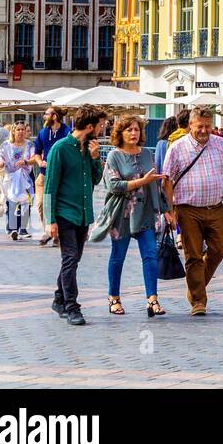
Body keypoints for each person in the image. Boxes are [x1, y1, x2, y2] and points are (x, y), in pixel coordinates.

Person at [161, 107, 223, 317]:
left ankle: (195, 286)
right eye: (200, 126)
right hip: (188, 209)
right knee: (194, 256)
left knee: (219, 249)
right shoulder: (177, 148)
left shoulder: (221, 144)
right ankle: (198, 300)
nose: (205, 131)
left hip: (216, 207)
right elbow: (167, 181)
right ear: (190, 125)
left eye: (208, 126)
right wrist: (169, 210)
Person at [98, 116, 169, 318]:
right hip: (122, 215)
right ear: (120, 133)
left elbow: (154, 183)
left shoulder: (147, 154)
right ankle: (114, 297)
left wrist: (166, 209)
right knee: (118, 257)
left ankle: (152, 299)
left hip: (146, 212)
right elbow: (113, 185)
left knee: (150, 256)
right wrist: (141, 182)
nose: (133, 133)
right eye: (128, 129)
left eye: (136, 129)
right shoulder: (114, 156)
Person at [43, 107, 108, 326]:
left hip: (83, 214)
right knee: (70, 258)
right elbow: (50, 186)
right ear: (89, 127)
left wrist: (96, 158)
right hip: (64, 213)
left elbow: (97, 179)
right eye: (100, 126)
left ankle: (59, 298)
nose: (102, 130)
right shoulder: (60, 149)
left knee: (74, 259)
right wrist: (50, 220)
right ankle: (72, 307)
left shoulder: (88, 149)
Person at [34, 107, 70, 247]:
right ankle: (49, 230)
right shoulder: (43, 132)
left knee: (58, 204)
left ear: (54, 116)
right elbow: (37, 152)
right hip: (44, 174)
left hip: (61, 176)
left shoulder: (67, 132)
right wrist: (39, 161)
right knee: (42, 203)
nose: (44, 116)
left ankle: (56, 234)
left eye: (46, 114)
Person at [0, 122, 38, 240]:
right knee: (11, 202)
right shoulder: (6, 144)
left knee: (25, 203)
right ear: (13, 131)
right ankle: (12, 229)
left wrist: (25, 162)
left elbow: (34, 158)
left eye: (23, 129)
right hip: (10, 177)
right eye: (18, 129)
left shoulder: (29, 145)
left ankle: (22, 229)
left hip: (26, 177)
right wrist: (0, 162)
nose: (21, 132)